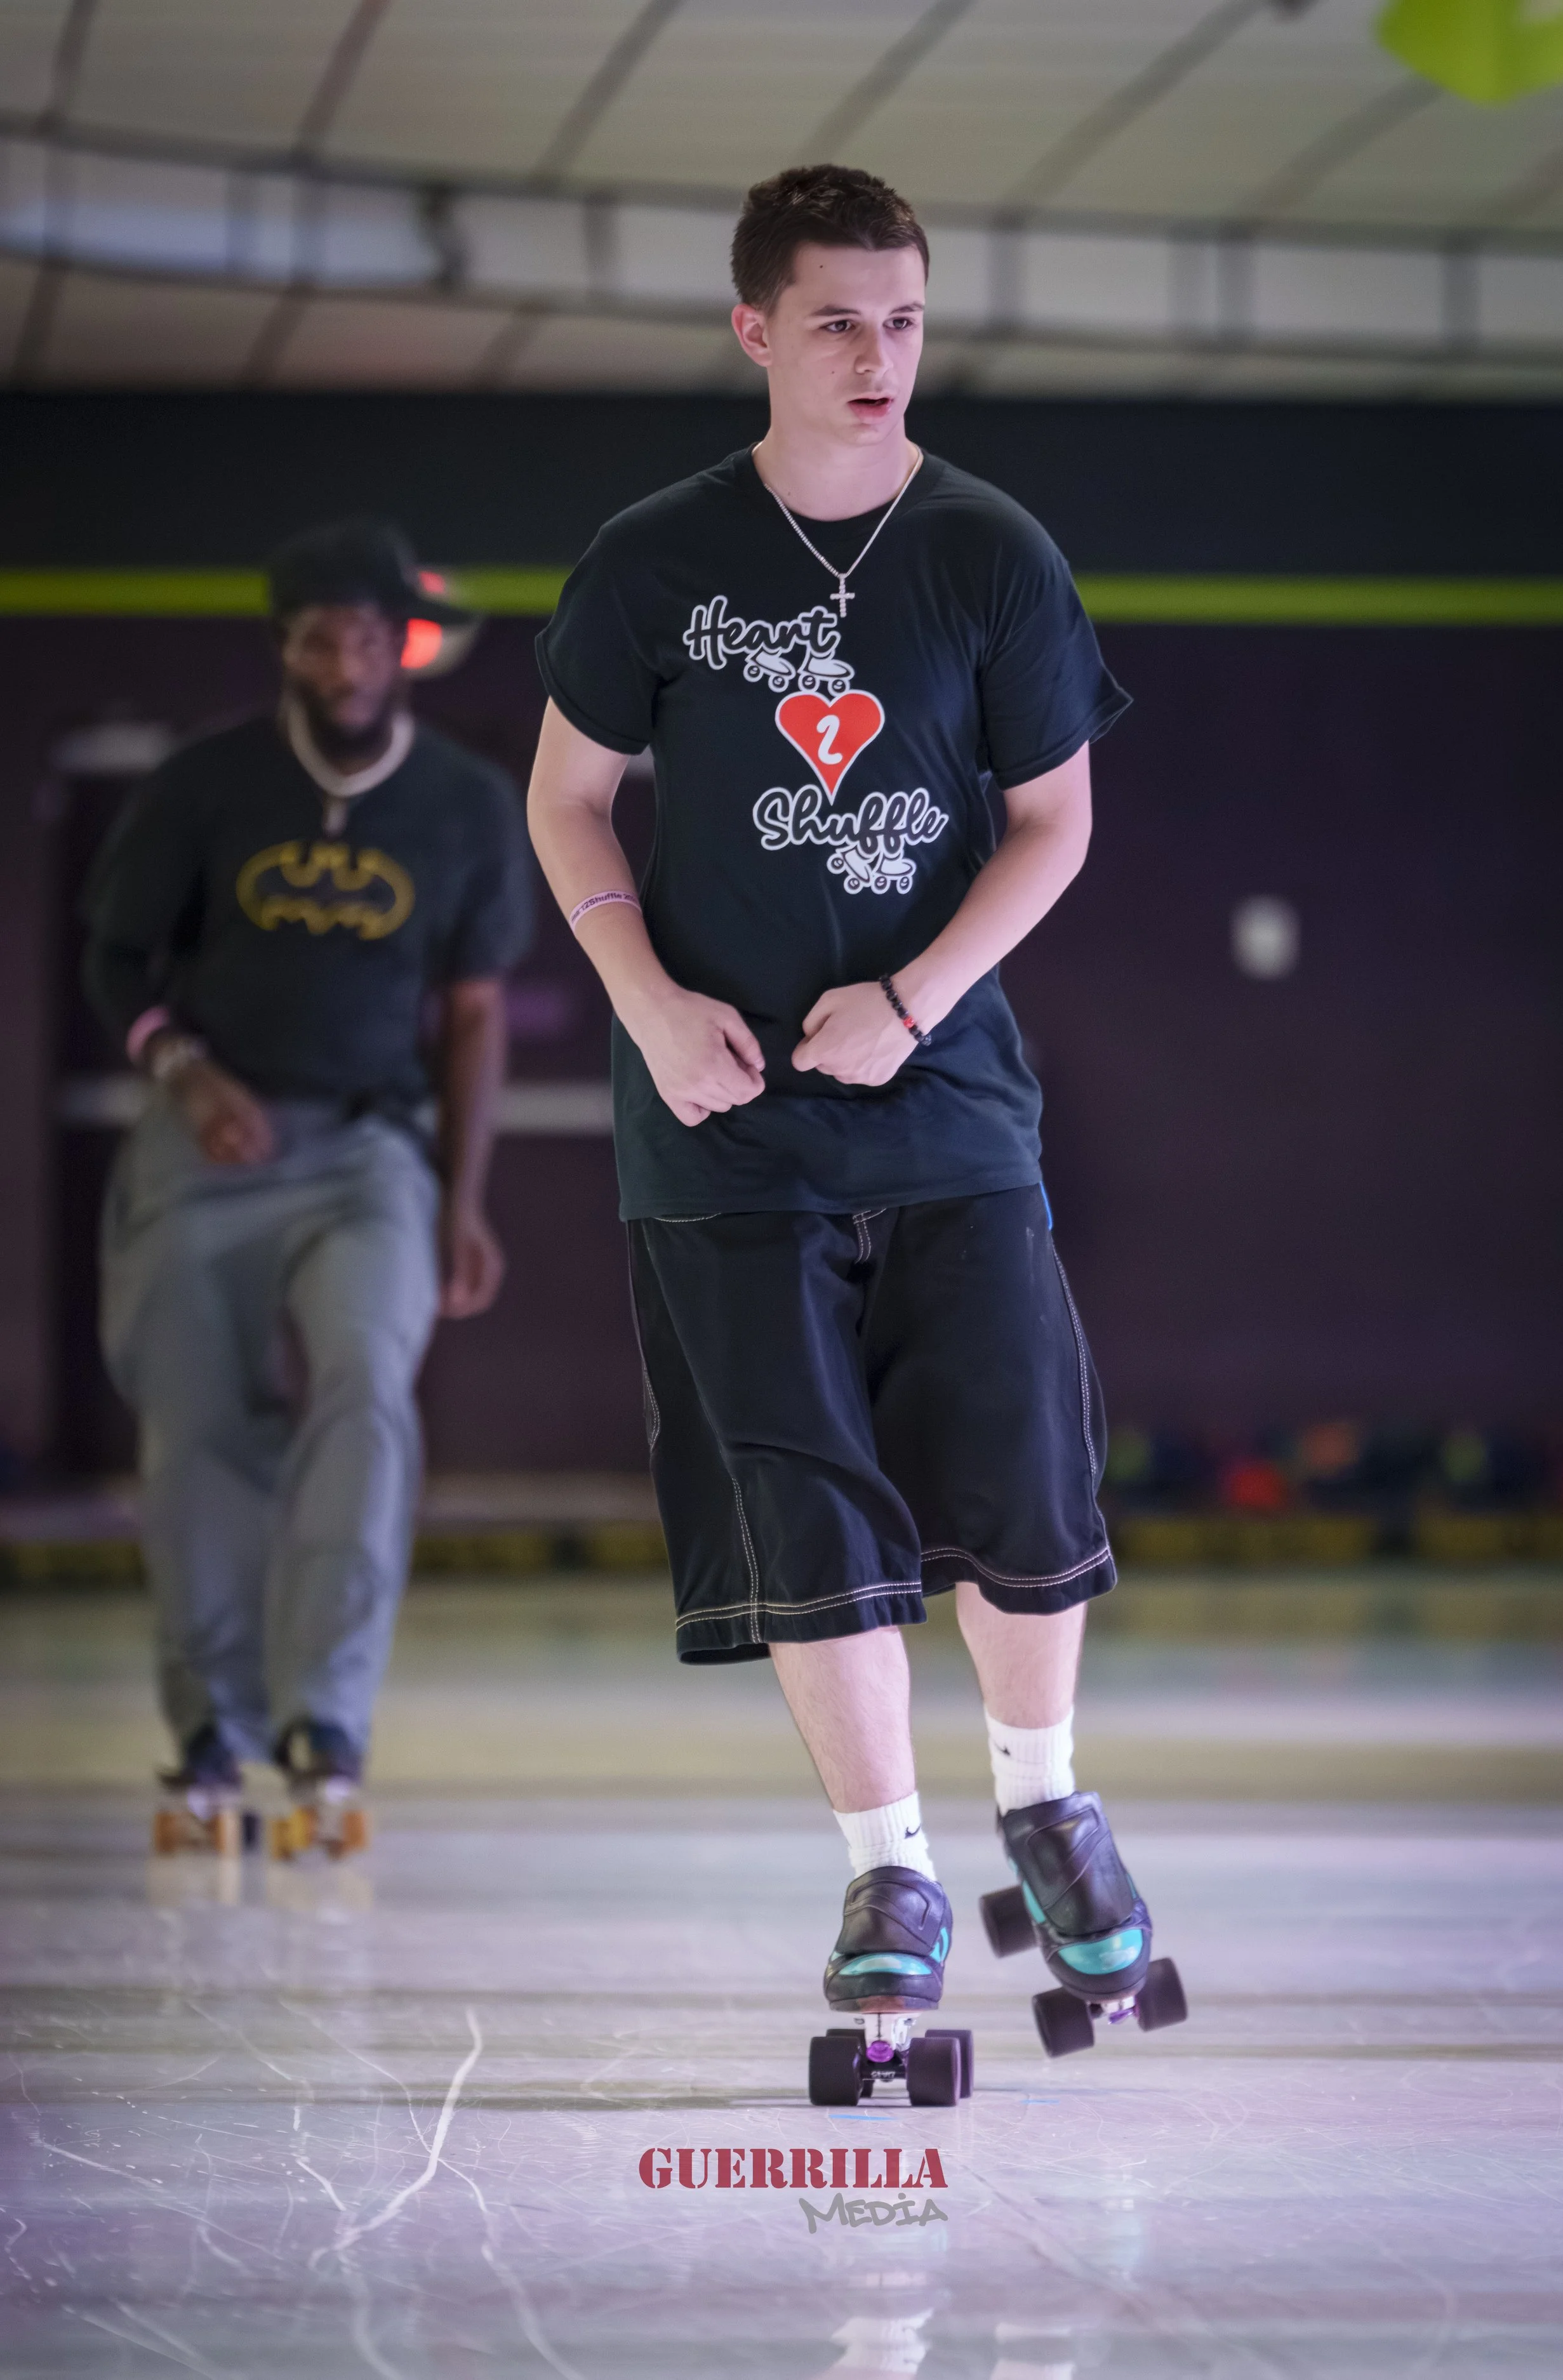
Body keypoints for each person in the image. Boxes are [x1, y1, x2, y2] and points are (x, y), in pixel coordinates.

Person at [526, 165, 1150, 2044]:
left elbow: (1055, 822)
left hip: (946, 1098)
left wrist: (911, 992)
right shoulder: (655, 554)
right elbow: (566, 800)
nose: (876, 358)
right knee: (807, 1509)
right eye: (834, 324)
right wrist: (648, 1006)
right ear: (753, 332)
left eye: (901, 321)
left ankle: (1043, 1802)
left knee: (1021, 1477)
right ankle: (886, 1864)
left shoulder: (987, 551)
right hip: (722, 1124)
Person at [84, 518, 533, 1821]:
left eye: (365, 636)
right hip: (209, 1137)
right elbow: (116, 962)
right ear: (283, 646)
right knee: (197, 1433)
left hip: (370, 1152)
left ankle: (325, 1721)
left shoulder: (461, 803)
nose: (343, 662)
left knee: (365, 1392)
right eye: (316, 637)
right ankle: (214, 1734)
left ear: (404, 645)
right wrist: (180, 1068)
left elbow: (470, 1013)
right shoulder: (203, 783)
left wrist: (460, 1199)